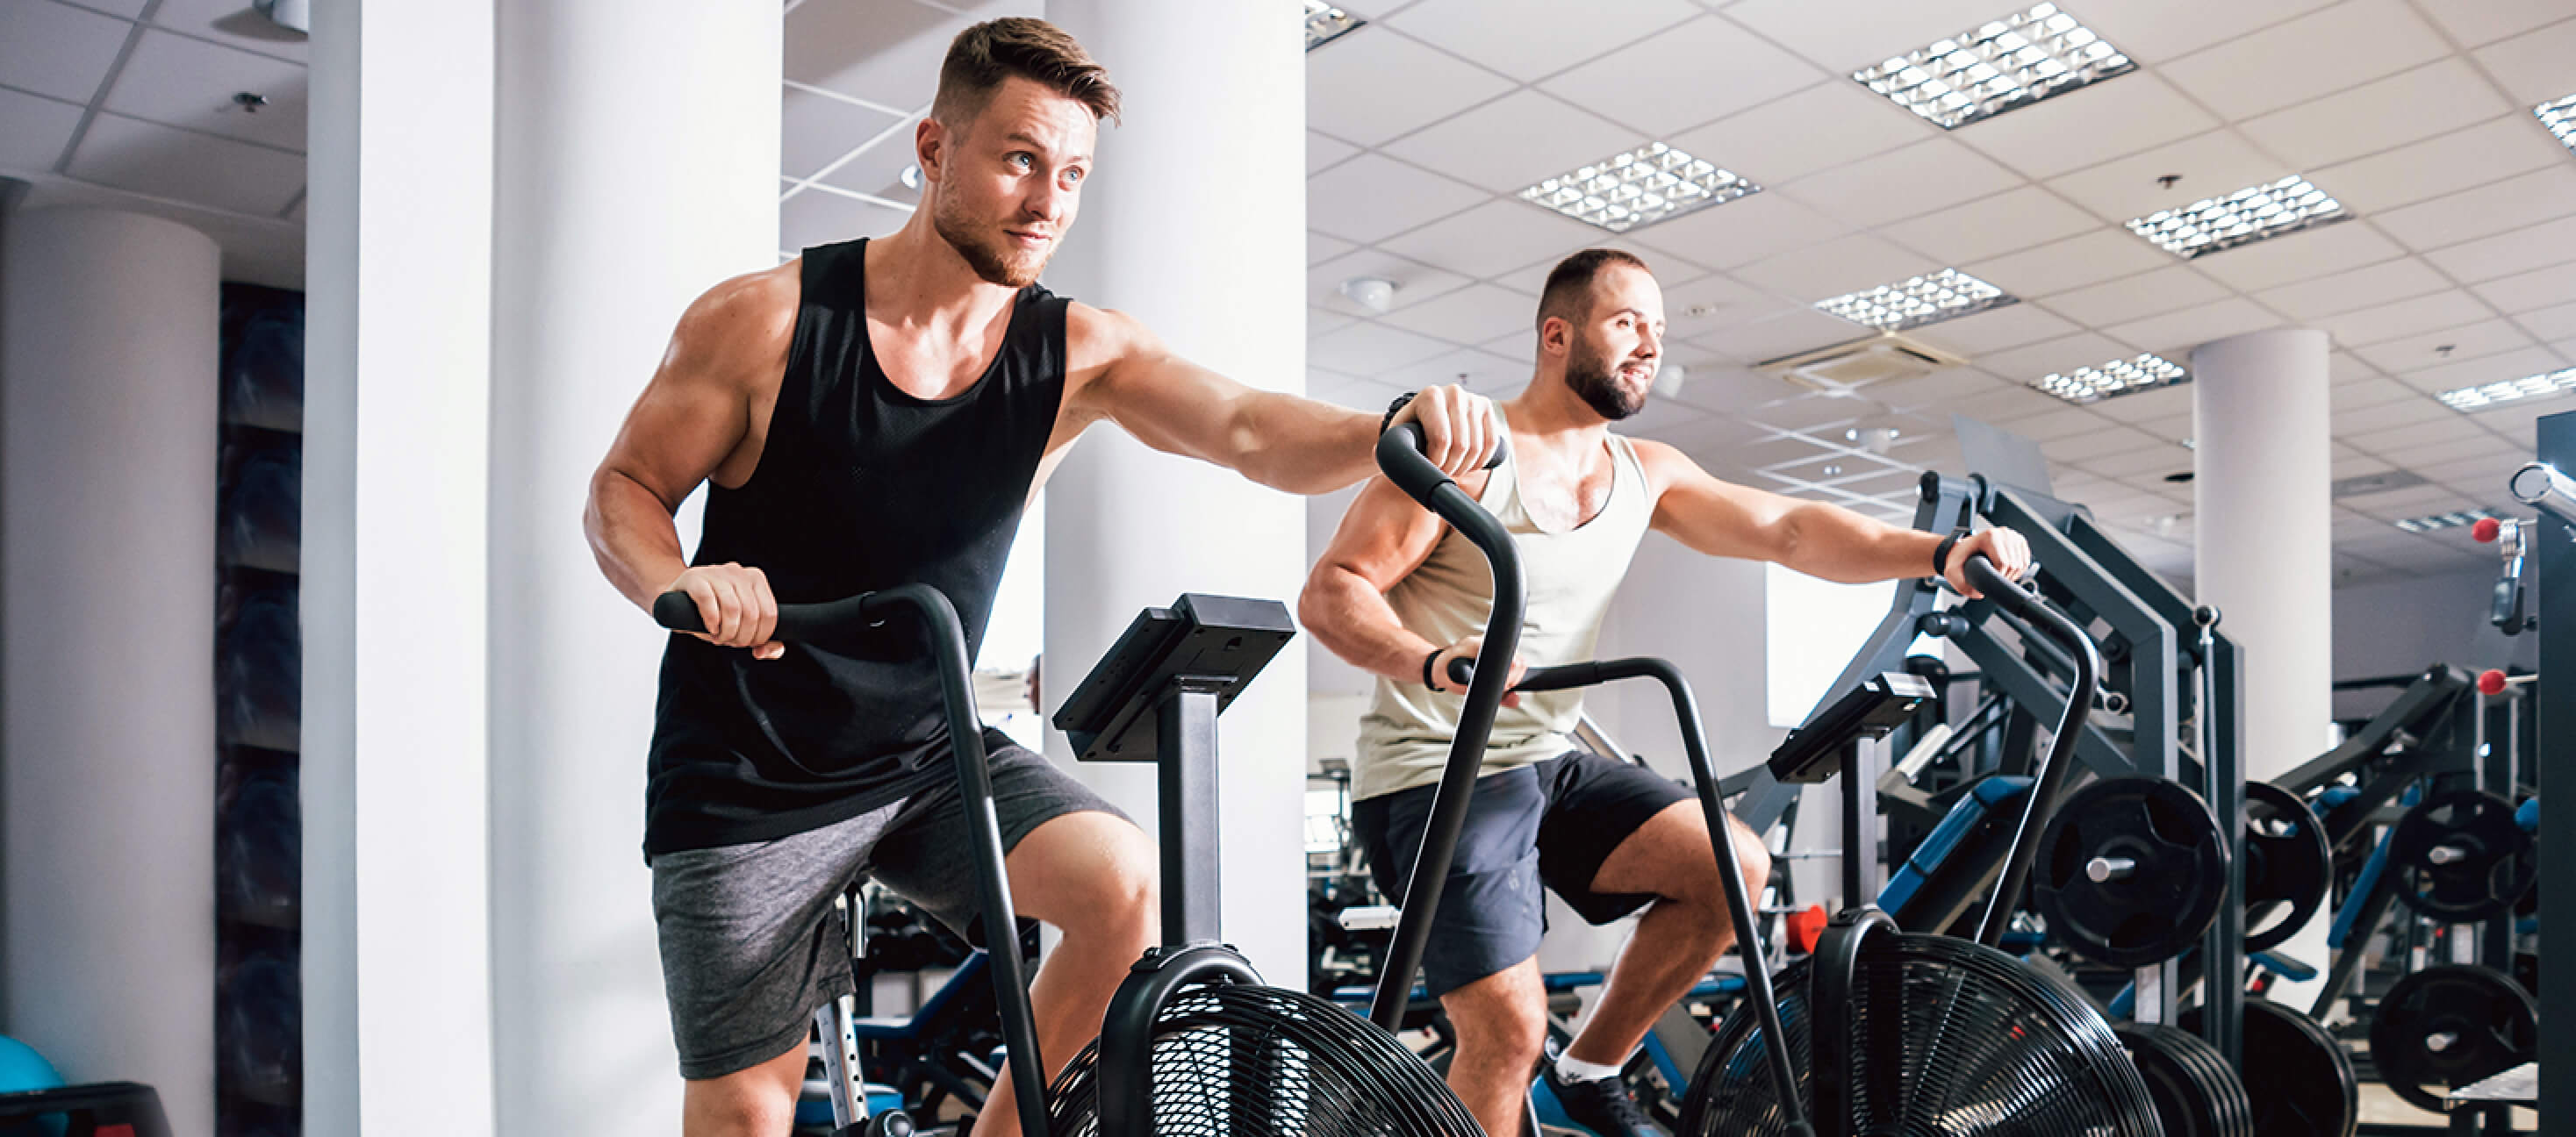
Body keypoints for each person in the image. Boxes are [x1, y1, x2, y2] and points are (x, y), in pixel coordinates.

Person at [582, 18, 1502, 1137]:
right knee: (743, 1115)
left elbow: (1251, 429)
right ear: (932, 148)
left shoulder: (1076, 355)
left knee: (1123, 888)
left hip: (927, 755)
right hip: (745, 776)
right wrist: (683, 583)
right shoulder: (765, 323)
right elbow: (625, 486)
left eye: (1070, 174)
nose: (1047, 201)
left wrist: (1390, 424)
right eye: (1019, 158)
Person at [1300, 247, 2032, 1137]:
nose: (1647, 345)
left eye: (1657, 328)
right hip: (1431, 776)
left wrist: (1940, 554)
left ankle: (1591, 1065)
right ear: (1555, 335)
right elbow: (1332, 590)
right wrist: (1431, 659)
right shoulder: (1463, 454)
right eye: (1624, 323)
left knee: (1733, 867)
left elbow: (1791, 531)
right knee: (1504, 1029)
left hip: (1546, 763)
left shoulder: (1645, 472)